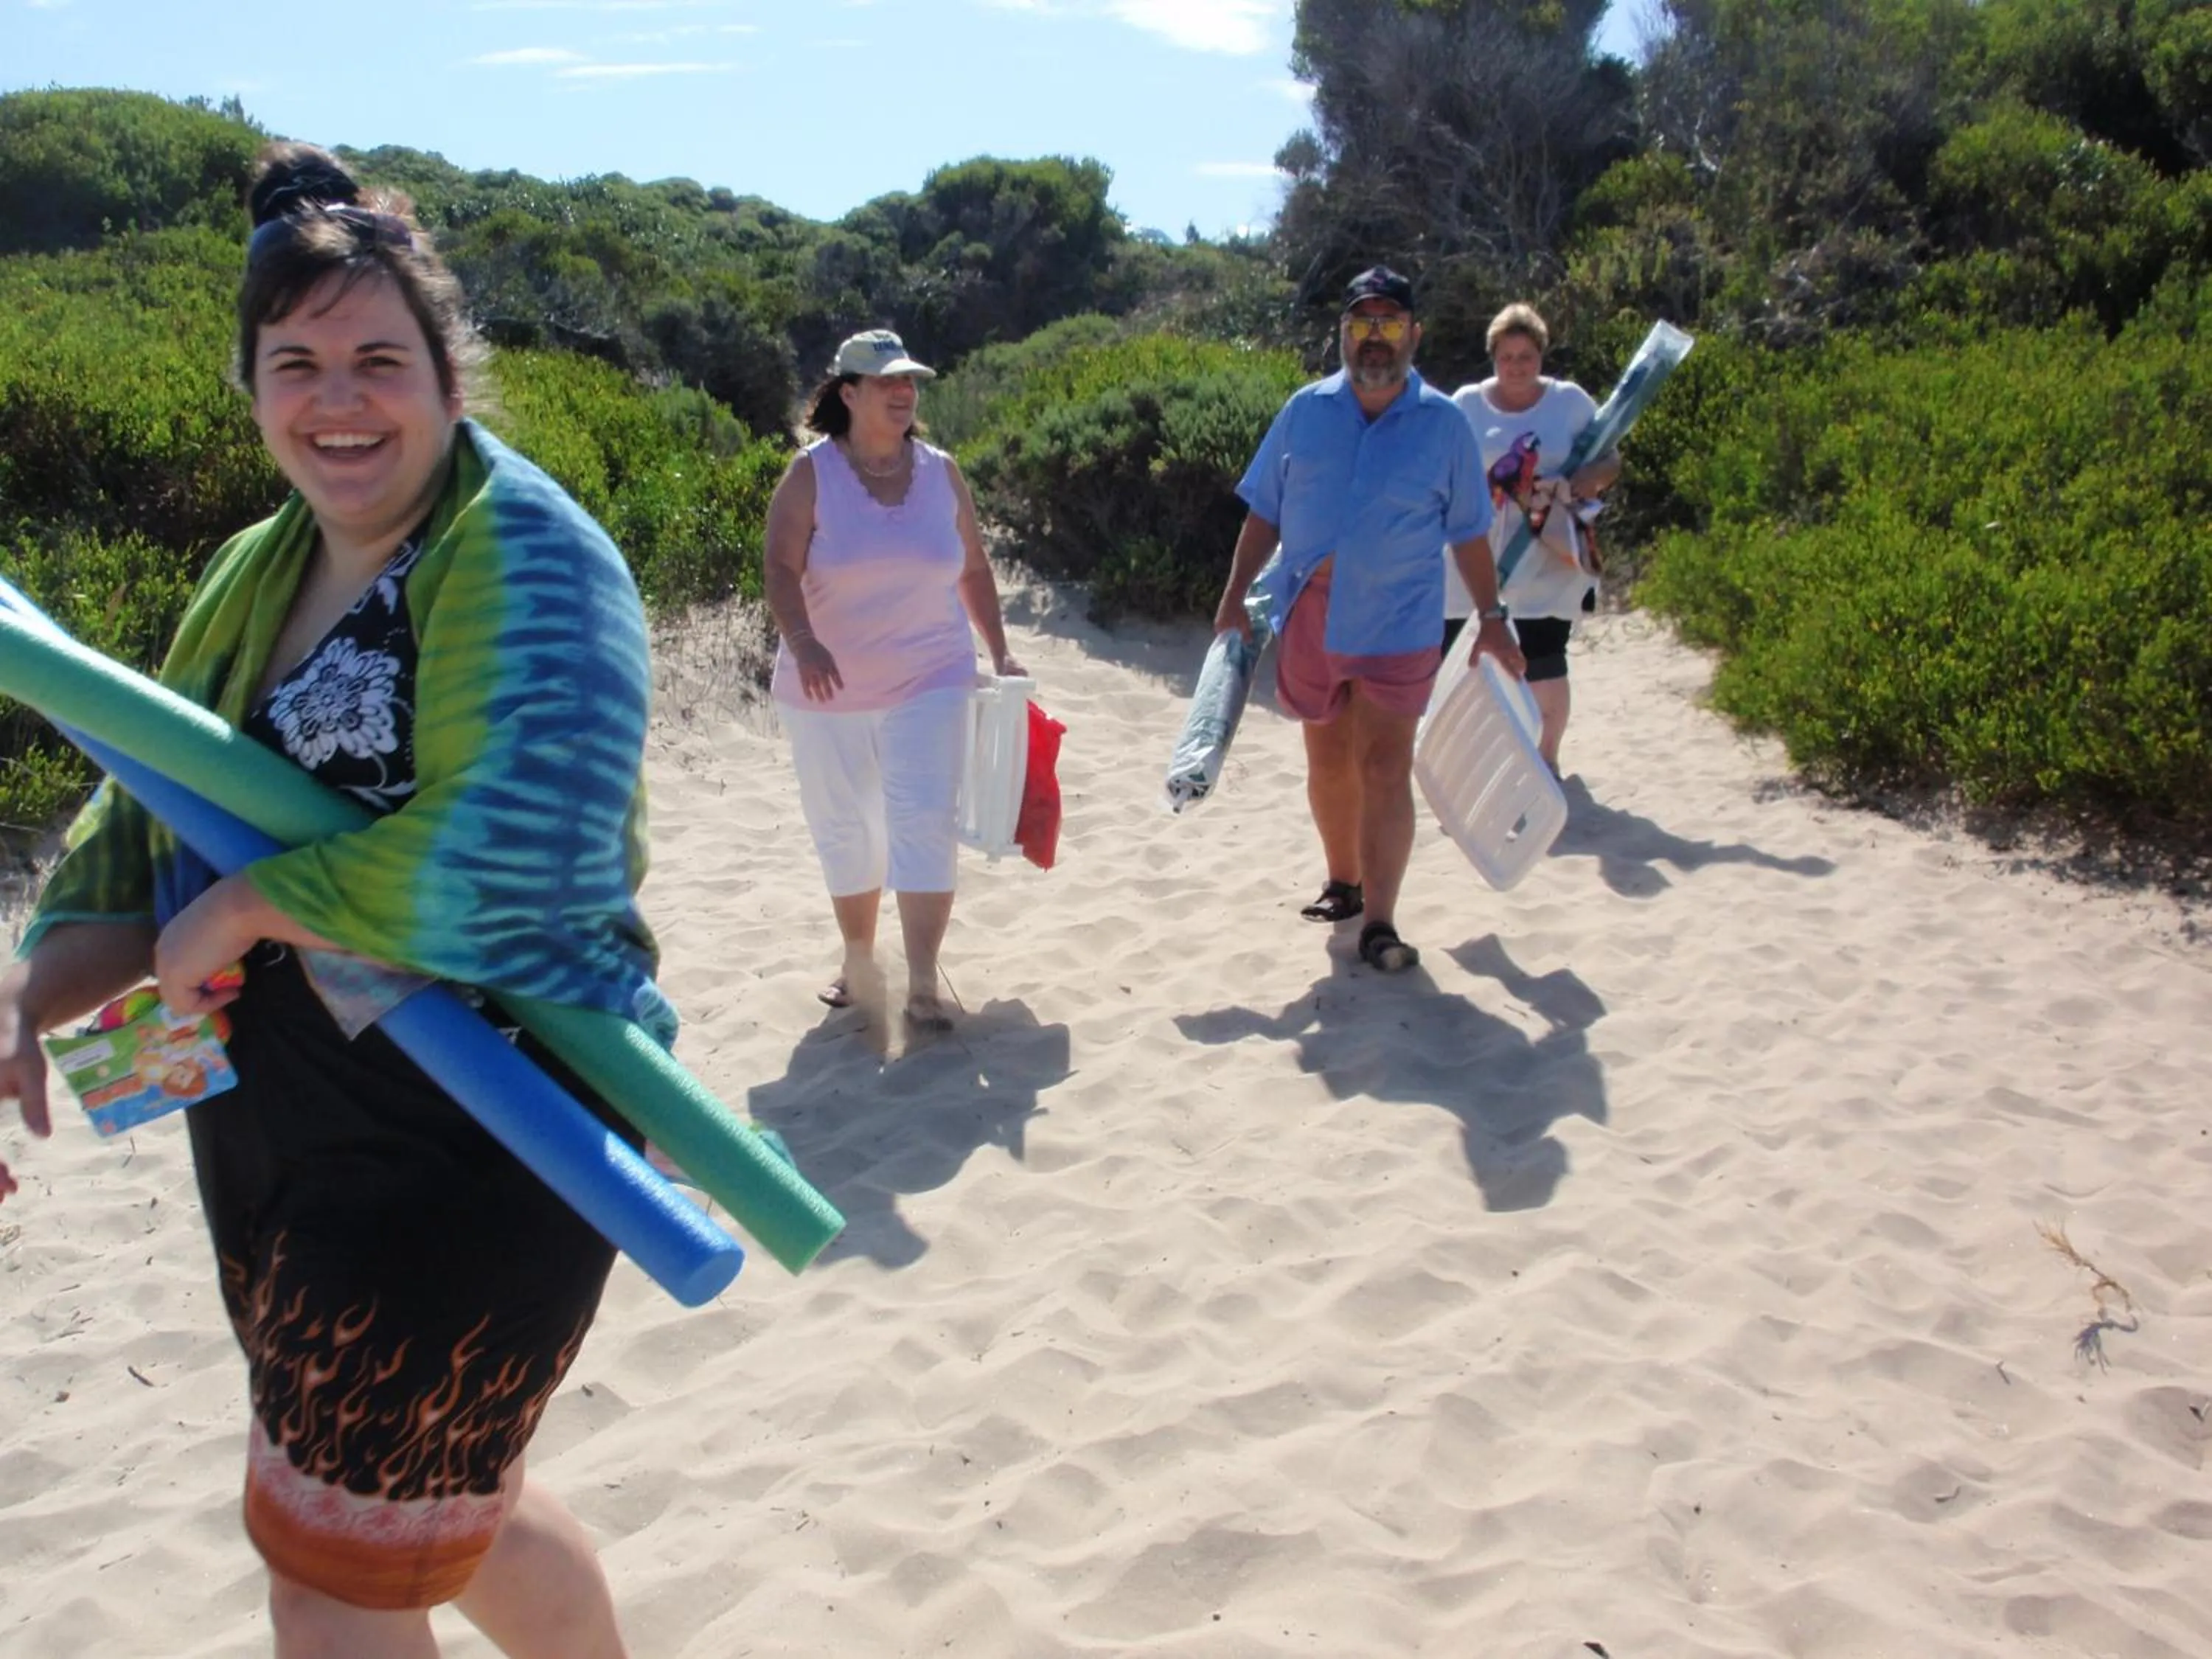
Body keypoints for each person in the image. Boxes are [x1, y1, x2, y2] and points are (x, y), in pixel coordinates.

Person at [0, 142, 657, 1657]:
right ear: (249, 384)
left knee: (325, 1562)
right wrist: (34, 1000)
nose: (337, 399)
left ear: (447, 371)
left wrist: (241, 915)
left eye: (377, 357)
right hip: (275, 1116)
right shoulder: (254, 561)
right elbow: (146, 799)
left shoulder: (532, 554)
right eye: (295, 362)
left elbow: (522, 839)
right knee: (444, 1512)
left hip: (488, 1120)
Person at [1213, 267, 1523, 975]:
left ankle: (1381, 923)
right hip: (1312, 613)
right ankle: (1344, 883)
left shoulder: (1444, 424)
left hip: (1400, 621)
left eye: (1388, 325)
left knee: (1386, 765)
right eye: (1362, 325)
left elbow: (1470, 531)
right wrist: (1234, 599)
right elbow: (1265, 510)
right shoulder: (1305, 410)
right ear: (1343, 334)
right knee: (1327, 763)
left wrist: (1492, 619)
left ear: (1414, 334)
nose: (1374, 340)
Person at [764, 329, 1025, 1035]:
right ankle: (857, 963)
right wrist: (806, 642)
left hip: (930, 673)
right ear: (848, 394)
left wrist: (998, 653)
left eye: (909, 380)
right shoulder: (811, 475)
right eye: (887, 382)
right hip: (827, 688)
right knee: (848, 829)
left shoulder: (942, 472)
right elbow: (780, 569)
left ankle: (919, 983)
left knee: (922, 817)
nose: (904, 392)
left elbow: (970, 569)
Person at [1444, 303, 1621, 776]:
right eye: (1507, 356)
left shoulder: (1570, 402)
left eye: (1526, 355)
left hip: (1546, 547)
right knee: (1462, 652)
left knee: (1543, 656)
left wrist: (1590, 480)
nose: (1516, 365)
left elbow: (1611, 461)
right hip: (1475, 547)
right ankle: (1473, 761)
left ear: (1541, 355)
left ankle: (1546, 757)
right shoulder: (1466, 403)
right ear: (1493, 357)